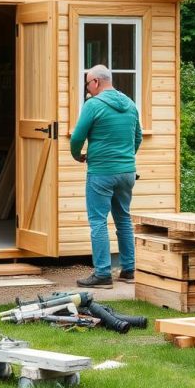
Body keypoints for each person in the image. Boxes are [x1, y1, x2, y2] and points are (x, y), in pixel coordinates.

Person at [69, 64, 142, 289]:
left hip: (101, 172)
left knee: (98, 221)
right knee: (123, 220)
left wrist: (77, 156)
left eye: (88, 83)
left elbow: (77, 138)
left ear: (96, 82)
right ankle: (129, 269)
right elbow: (137, 137)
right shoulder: (130, 104)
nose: (87, 89)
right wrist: (125, 159)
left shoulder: (93, 105)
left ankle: (102, 274)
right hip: (127, 173)